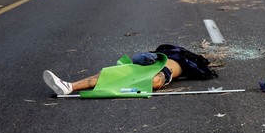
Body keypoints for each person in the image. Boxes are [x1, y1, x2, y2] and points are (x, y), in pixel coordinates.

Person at [42, 44, 216, 96]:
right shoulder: (168, 54)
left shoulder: (181, 61)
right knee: (111, 73)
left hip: (162, 71)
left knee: (155, 81)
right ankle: (69, 86)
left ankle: (70, 86)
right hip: (144, 66)